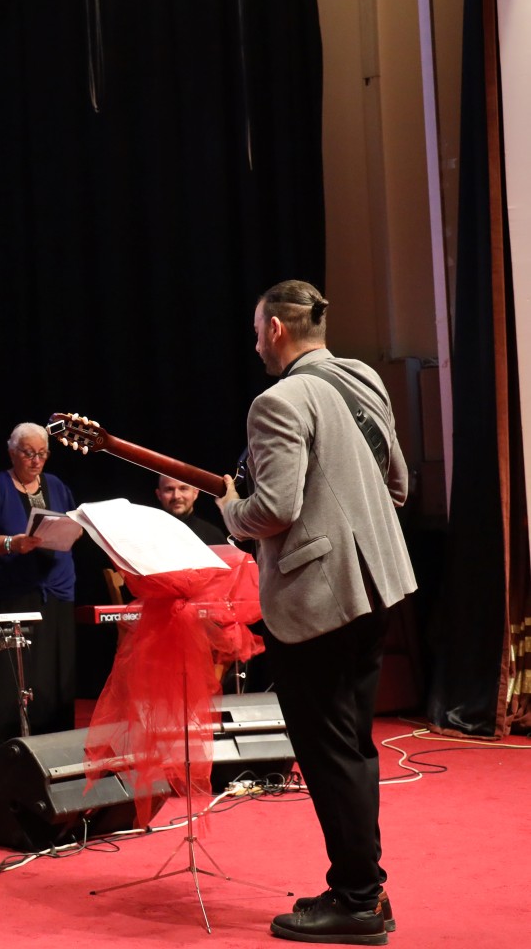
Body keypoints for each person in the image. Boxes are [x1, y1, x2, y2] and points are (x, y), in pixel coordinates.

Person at [215, 280, 415, 945]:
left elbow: (274, 509)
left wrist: (230, 510)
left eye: (255, 331)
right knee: (351, 748)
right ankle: (364, 889)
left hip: (320, 603)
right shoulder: (363, 378)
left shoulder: (277, 400)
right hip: (379, 587)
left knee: (330, 754)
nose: (254, 345)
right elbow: (398, 485)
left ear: (275, 328)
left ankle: (357, 901)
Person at [0, 423, 77, 741]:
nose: (36, 461)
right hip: (14, 590)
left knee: (55, 673)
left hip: (56, 588)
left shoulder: (55, 485)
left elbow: (73, 521)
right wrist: (11, 543)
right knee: (15, 676)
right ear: (12, 452)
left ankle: (56, 743)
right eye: (29, 453)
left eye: (42, 454)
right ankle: (12, 744)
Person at [155, 474, 228, 546]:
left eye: (183, 489)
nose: (176, 496)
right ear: (159, 495)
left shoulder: (213, 535)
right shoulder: (149, 532)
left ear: (195, 492)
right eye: (169, 489)